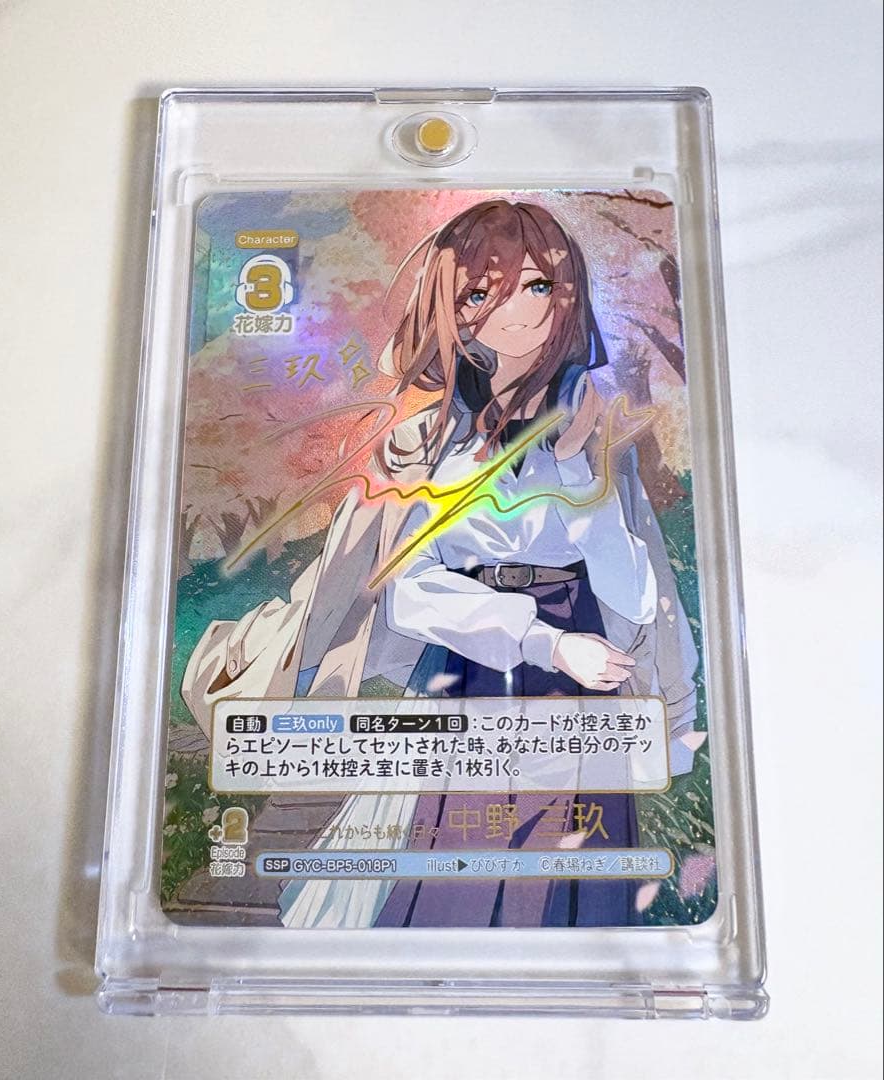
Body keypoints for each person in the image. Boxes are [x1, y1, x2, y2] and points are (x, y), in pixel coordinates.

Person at [182, 198, 700, 929]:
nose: (517, 311)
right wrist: (542, 641)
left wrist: (581, 479)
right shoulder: (422, 440)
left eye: (538, 286)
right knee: (457, 865)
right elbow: (408, 591)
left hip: (585, 675)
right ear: (450, 308)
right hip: (473, 665)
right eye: (483, 292)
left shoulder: (593, 432)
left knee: (574, 876)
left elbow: (639, 593)